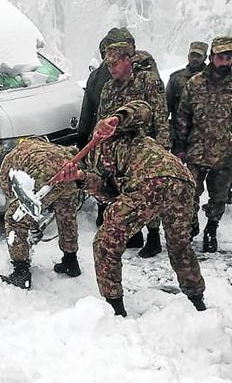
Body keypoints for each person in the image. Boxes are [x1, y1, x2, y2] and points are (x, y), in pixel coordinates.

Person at [54, 100, 206, 317]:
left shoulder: (108, 133)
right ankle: (198, 302)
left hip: (152, 179)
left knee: (105, 243)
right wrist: (81, 178)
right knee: (179, 246)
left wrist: (116, 118)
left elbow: (144, 109)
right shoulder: (91, 160)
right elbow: (110, 193)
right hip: (180, 181)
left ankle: (115, 311)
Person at [97, 41, 169, 258]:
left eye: (115, 64)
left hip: (147, 150)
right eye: (108, 66)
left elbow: (160, 114)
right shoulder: (109, 88)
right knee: (126, 192)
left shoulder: (146, 81)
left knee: (149, 192)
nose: (112, 69)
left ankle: (154, 236)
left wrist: (164, 148)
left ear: (128, 60)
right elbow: (102, 119)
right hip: (120, 153)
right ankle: (134, 233)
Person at [0, 137, 81, 289]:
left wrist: (31, 225)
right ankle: (70, 261)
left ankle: (20, 272)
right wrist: (34, 225)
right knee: (66, 215)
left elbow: (17, 202)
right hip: (69, 167)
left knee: (14, 219)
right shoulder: (35, 145)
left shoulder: (7, 162)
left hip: (46, 174)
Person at [176, 36, 232, 252]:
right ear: (211, 57)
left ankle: (211, 228)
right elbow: (183, 116)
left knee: (218, 198)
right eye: (221, 57)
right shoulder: (195, 83)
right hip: (196, 152)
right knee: (189, 194)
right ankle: (192, 225)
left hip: (225, 154)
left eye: (229, 57)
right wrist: (180, 146)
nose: (225, 62)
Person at [166, 41, 208, 155]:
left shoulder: (211, 79)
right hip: (179, 138)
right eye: (192, 55)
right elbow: (165, 108)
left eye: (198, 56)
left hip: (204, 140)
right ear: (188, 56)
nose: (194, 58)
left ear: (205, 57)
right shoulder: (176, 78)